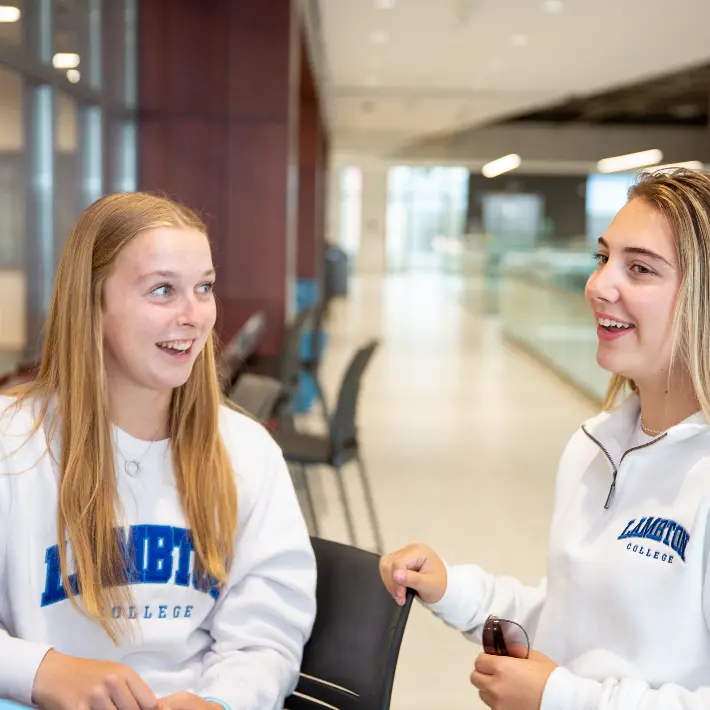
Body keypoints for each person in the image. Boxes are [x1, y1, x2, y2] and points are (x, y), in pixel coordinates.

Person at [380, 168, 710, 710]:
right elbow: (567, 619)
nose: (599, 285)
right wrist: (450, 589)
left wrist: (559, 697)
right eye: (602, 258)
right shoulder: (593, 446)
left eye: (640, 268)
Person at [0, 193, 317, 710]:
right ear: (92, 303)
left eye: (205, 288)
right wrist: (41, 670)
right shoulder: (12, 443)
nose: (194, 315)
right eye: (163, 290)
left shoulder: (246, 452)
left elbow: (265, 638)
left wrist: (220, 702)